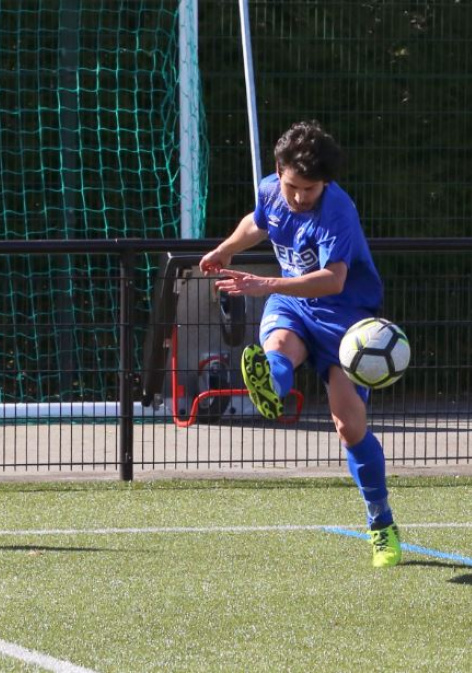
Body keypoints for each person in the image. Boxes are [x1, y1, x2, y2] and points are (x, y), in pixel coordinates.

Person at [200, 121, 402, 568]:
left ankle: (381, 522)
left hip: (345, 318)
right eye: (293, 186)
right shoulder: (271, 190)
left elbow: (333, 280)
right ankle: (272, 384)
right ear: (279, 172)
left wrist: (266, 283)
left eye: (309, 189)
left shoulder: (337, 211)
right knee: (278, 343)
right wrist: (226, 250)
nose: (299, 197)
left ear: (324, 183)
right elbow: (258, 222)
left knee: (349, 429)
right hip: (293, 304)